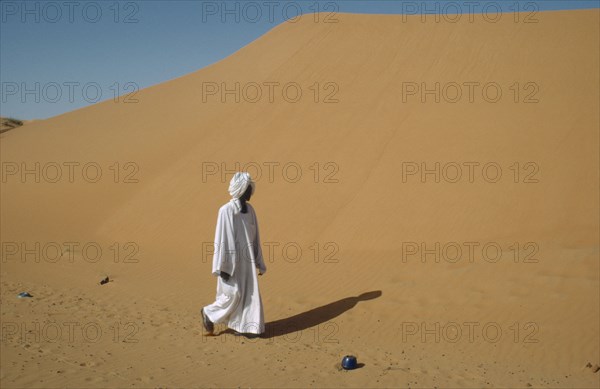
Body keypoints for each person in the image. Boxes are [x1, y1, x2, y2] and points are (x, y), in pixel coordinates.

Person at [201, 172, 267, 336]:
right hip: (231, 263)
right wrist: (222, 266)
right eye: (248, 188)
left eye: (251, 188)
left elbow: (256, 236)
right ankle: (208, 313)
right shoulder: (226, 210)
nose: (250, 192)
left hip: (248, 262)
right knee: (232, 294)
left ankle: (245, 327)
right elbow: (221, 240)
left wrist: (259, 261)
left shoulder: (250, 210)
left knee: (249, 295)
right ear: (241, 189)